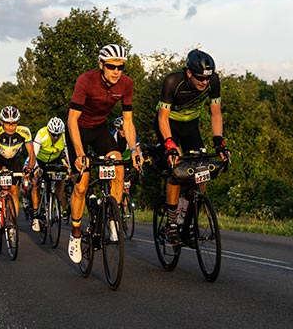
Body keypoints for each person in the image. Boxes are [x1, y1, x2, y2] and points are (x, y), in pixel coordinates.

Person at [66, 44, 142, 263]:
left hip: (100, 129)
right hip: (78, 129)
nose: (116, 71)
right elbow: (72, 119)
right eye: (111, 66)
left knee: (118, 164)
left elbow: (127, 121)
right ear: (101, 65)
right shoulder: (86, 80)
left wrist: (135, 149)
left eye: (120, 67)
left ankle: (111, 218)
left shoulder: (126, 84)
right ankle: (76, 232)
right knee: (82, 183)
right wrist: (80, 154)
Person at [155, 48, 229, 244]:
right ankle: (171, 225)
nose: (204, 83)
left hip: (191, 125)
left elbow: (216, 114)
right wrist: (170, 144)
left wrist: (219, 142)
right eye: (199, 78)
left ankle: (186, 212)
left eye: (207, 78)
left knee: (201, 168)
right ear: (189, 73)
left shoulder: (213, 81)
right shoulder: (173, 82)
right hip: (168, 124)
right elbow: (162, 117)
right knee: (177, 168)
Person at [0, 106, 36, 222]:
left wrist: (29, 169)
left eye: (14, 123)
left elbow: (31, 153)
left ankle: (13, 225)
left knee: (14, 191)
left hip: (14, 160)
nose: (11, 127)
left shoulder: (24, 131)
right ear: (1, 122)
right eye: (7, 124)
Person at [29, 117, 71, 231]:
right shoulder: (42, 134)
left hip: (54, 160)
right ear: (49, 131)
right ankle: (35, 217)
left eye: (58, 135)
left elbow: (68, 154)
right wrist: (36, 168)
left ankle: (56, 200)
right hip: (40, 160)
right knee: (35, 183)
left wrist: (71, 168)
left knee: (62, 178)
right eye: (53, 135)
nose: (55, 137)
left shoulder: (63, 137)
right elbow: (33, 153)